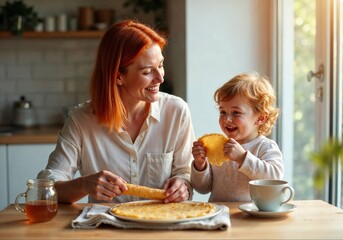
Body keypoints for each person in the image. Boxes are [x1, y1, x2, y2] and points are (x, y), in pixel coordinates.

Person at [37, 20, 195, 204]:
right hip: (104, 229)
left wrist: (183, 185)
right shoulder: (81, 120)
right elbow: (45, 188)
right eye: (147, 72)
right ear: (118, 76)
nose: (160, 77)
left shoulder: (176, 111)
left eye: (160, 65)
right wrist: (84, 185)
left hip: (162, 227)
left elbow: (185, 172)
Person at [191, 73, 284, 202]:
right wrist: (200, 165)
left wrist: (242, 158)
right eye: (223, 112)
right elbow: (202, 188)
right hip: (219, 215)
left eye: (236, 113)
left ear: (260, 118)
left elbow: (275, 178)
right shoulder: (217, 148)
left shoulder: (265, 147)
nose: (227, 119)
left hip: (252, 217)